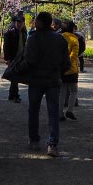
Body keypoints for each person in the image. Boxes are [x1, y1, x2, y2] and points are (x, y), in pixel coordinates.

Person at [23, 11, 70, 156]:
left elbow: (29, 60)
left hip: (36, 80)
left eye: (36, 21)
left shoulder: (33, 38)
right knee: (53, 112)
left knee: (33, 111)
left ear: (40, 22)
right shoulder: (59, 39)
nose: (34, 23)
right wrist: (58, 73)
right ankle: (52, 144)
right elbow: (66, 62)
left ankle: (34, 140)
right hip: (53, 80)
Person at [3, 13, 27, 103]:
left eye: (20, 22)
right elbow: (6, 46)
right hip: (13, 57)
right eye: (17, 22)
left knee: (15, 76)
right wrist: (7, 58)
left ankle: (11, 95)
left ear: (23, 23)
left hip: (21, 57)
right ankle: (15, 95)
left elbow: (25, 44)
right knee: (15, 76)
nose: (19, 24)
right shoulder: (10, 32)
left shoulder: (24, 32)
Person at [59, 20, 80, 121]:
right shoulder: (74, 39)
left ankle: (59, 113)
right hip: (71, 70)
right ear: (72, 28)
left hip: (61, 69)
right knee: (74, 91)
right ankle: (70, 110)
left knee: (62, 92)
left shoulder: (59, 37)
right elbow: (74, 56)